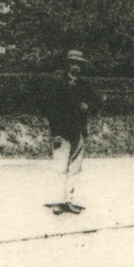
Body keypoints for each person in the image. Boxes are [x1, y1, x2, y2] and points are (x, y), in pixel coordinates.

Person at [42, 50, 94, 215]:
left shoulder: (84, 85)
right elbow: (51, 110)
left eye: (79, 64)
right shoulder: (58, 84)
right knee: (60, 167)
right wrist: (55, 133)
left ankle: (68, 201)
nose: (76, 67)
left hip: (79, 131)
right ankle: (58, 202)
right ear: (67, 65)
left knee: (75, 167)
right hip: (62, 132)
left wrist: (88, 106)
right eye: (73, 64)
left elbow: (95, 101)